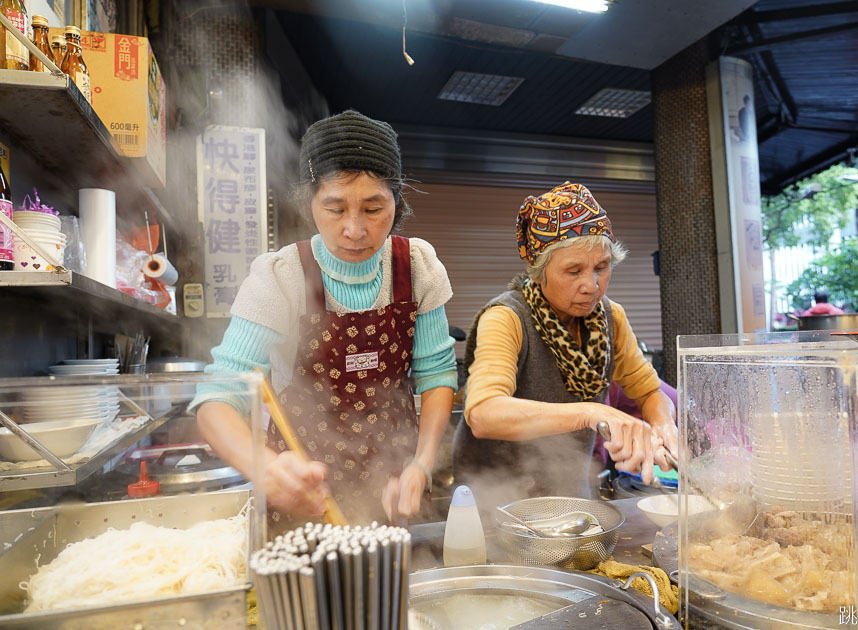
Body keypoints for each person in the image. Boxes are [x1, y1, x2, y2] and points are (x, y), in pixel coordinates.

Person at [192, 110, 458, 525]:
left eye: (374, 209)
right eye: (335, 208)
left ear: (397, 202)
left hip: (395, 489)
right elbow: (217, 399)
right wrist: (265, 467)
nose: (354, 229)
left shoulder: (417, 266)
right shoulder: (281, 277)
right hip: (301, 494)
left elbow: (437, 374)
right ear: (309, 203)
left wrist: (422, 464)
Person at [452, 182, 678, 506]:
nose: (591, 285)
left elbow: (649, 390)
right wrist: (591, 412)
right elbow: (484, 413)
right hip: (495, 504)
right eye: (573, 271)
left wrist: (664, 426)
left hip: (570, 499)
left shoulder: (611, 319)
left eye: (602, 267)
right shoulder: (506, 318)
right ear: (540, 272)